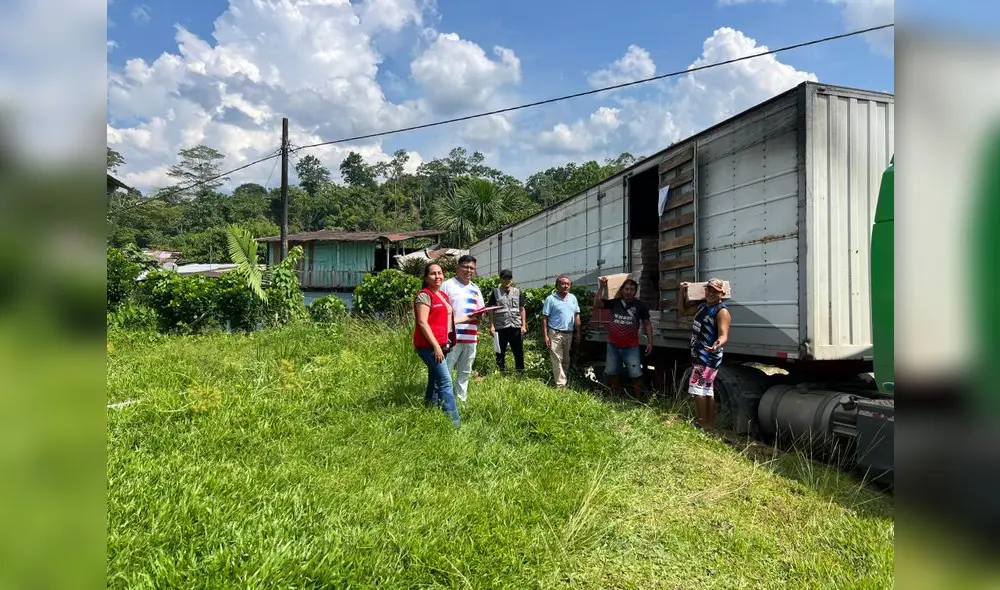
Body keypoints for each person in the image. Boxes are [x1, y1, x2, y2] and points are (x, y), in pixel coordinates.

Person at [679, 278, 731, 431]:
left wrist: (717, 343)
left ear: (721, 293)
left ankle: (703, 424)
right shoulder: (702, 307)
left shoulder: (722, 311)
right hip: (700, 354)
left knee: (698, 389)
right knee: (707, 390)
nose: (710, 293)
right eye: (708, 290)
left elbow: (724, 335)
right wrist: (682, 292)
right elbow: (682, 311)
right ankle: (708, 424)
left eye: (715, 291)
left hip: (708, 355)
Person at [412, 263, 460, 427]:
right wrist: (436, 347)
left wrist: (468, 318)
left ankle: (429, 409)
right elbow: (422, 322)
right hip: (429, 347)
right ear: (426, 278)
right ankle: (454, 423)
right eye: (433, 274)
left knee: (434, 378)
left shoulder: (443, 296)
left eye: (440, 273)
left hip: (442, 344)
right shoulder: (424, 296)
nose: (438, 276)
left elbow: (446, 321)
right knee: (446, 381)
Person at [594, 276, 653, 399]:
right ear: (622, 290)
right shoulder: (614, 302)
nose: (629, 291)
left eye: (632, 289)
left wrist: (650, 342)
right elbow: (597, 304)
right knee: (613, 372)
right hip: (613, 345)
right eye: (626, 289)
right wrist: (602, 287)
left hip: (631, 347)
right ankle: (616, 395)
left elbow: (647, 323)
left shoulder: (640, 305)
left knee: (635, 374)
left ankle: (638, 399)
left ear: (635, 291)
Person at [440, 254, 485, 404]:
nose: (469, 270)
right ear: (458, 268)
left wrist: (481, 315)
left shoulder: (475, 288)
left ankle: (461, 400)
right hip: (451, 336)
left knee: (465, 371)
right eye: (466, 267)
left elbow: (481, 311)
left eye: (472, 268)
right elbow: (440, 311)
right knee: (446, 370)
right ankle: (444, 400)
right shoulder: (447, 285)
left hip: (471, 337)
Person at [541, 275, 581, 388]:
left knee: (566, 360)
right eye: (563, 283)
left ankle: (563, 380)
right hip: (555, 333)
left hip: (569, 333)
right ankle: (561, 385)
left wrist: (578, 333)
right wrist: (545, 336)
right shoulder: (551, 299)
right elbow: (544, 318)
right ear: (557, 286)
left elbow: (577, 316)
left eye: (568, 284)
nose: (566, 286)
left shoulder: (573, 298)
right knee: (557, 359)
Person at [487, 269, 527, 373]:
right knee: (500, 351)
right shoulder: (495, 292)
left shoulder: (517, 292)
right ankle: (501, 372)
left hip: (515, 326)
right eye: (504, 278)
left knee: (518, 351)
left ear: (511, 279)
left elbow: (522, 309)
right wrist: (491, 325)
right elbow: (490, 310)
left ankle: (520, 372)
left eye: (509, 278)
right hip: (501, 327)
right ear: (500, 279)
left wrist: (523, 325)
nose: (507, 280)